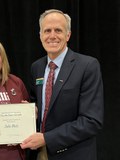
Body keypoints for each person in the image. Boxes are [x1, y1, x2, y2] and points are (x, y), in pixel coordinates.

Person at [20, 9, 104, 160]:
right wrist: (31, 112)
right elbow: (39, 105)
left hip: (74, 154)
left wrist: (47, 138)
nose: (52, 36)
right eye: (47, 31)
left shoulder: (87, 66)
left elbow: (91, 121)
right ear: (40, 36)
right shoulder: (36, 67)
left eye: (58, 30)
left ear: (68, 35)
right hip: (40, 154)